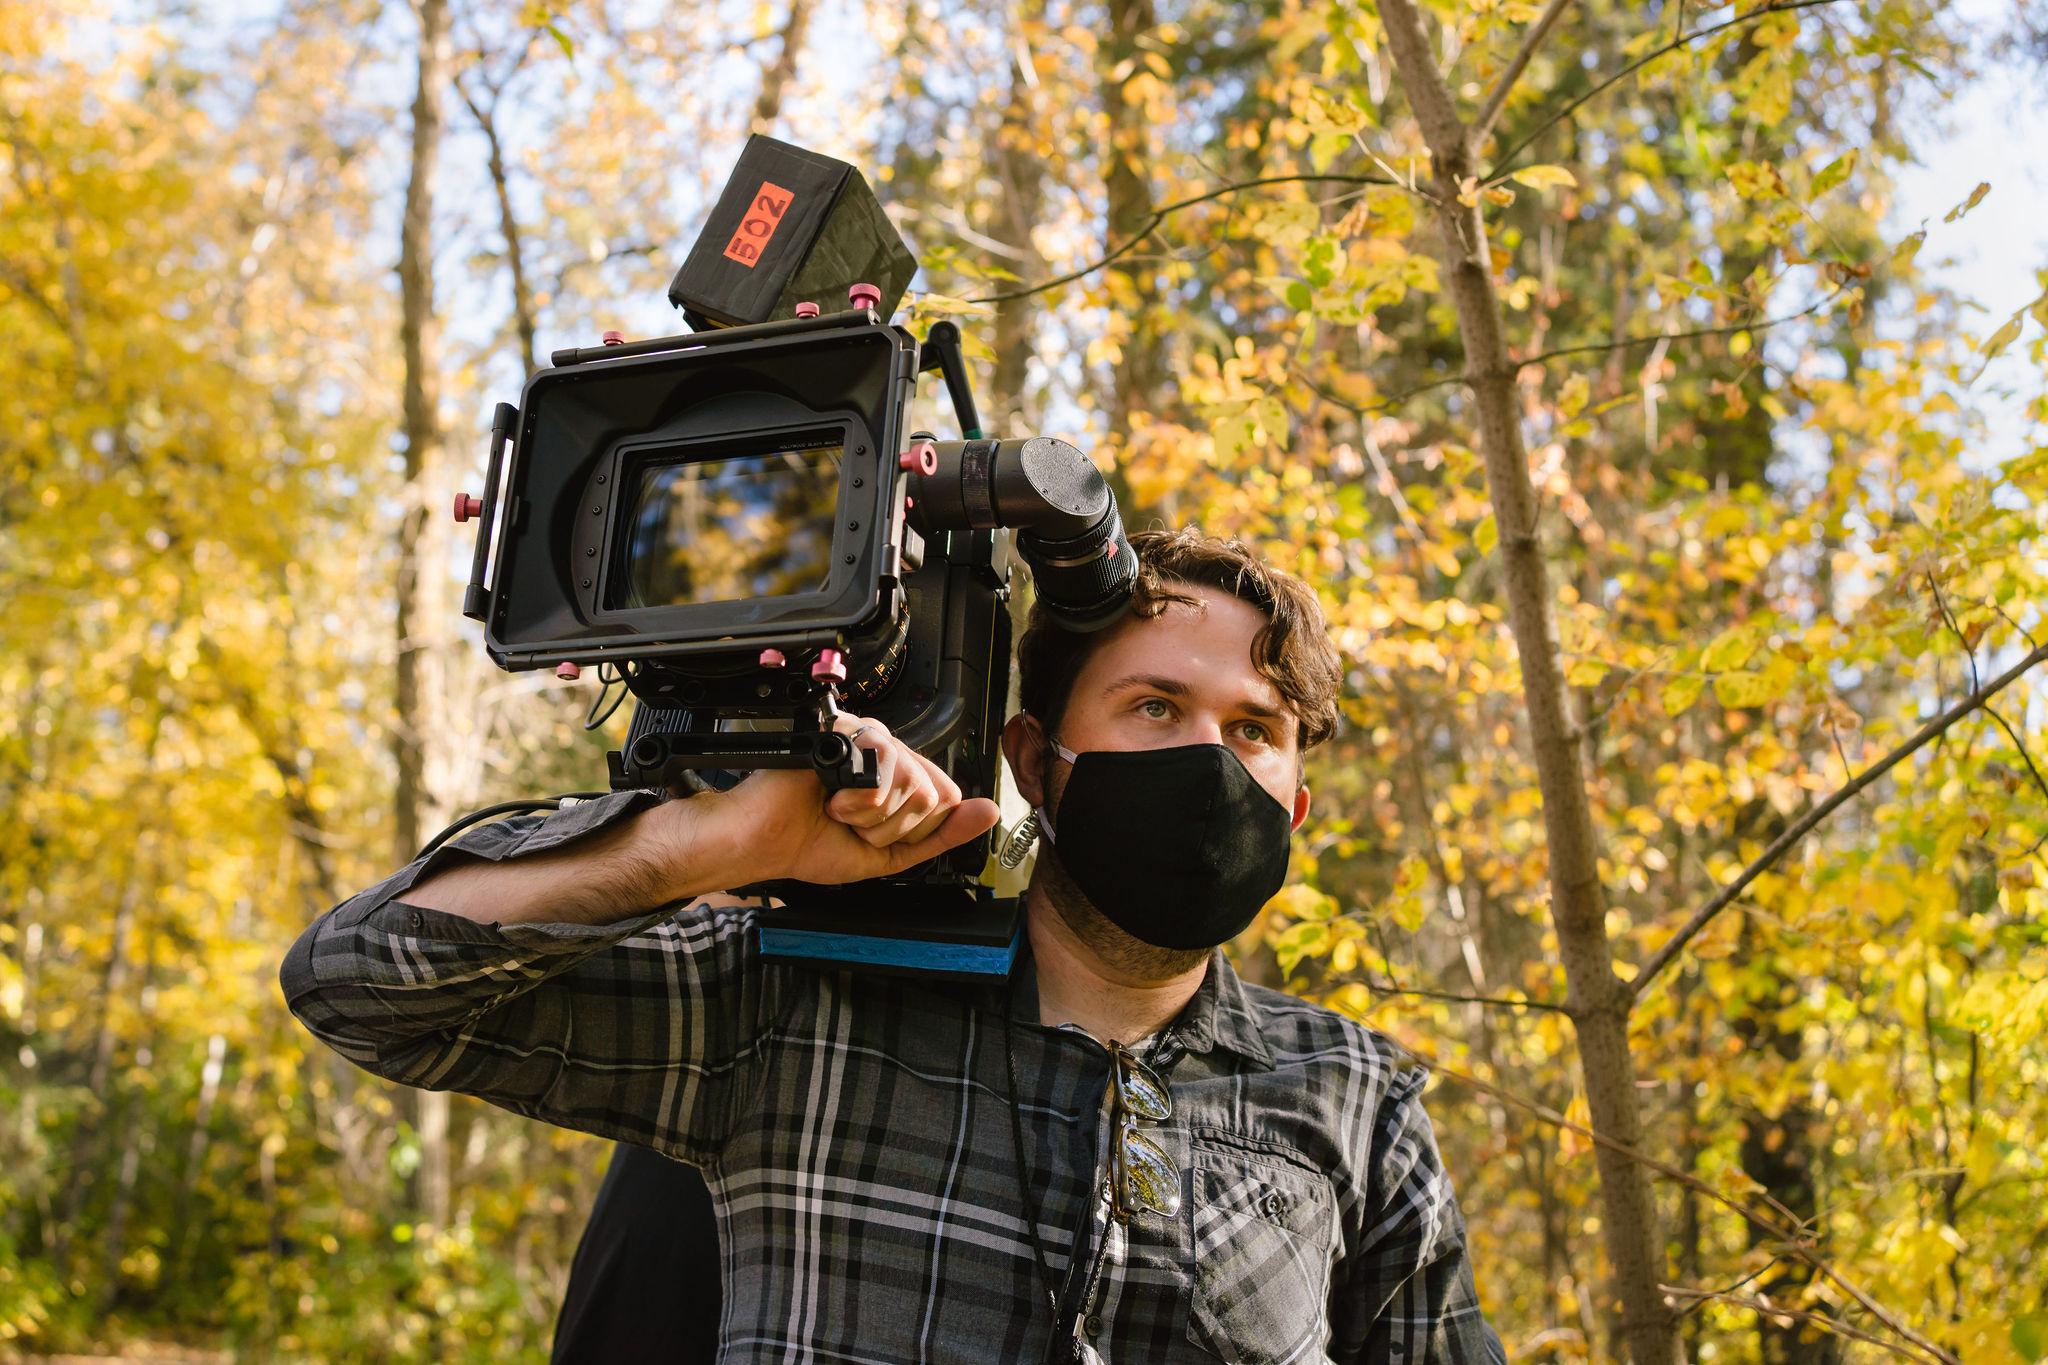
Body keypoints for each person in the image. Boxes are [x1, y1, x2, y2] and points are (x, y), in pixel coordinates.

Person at [283, 528, 1504, 1364]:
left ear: (1294, 799)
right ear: (1036, 763)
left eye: (1254, 728)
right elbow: (357, 984)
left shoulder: (1353, 1099)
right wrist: (700, 846)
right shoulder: (796, 1005)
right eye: (1152, 708)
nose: (1206, 757)